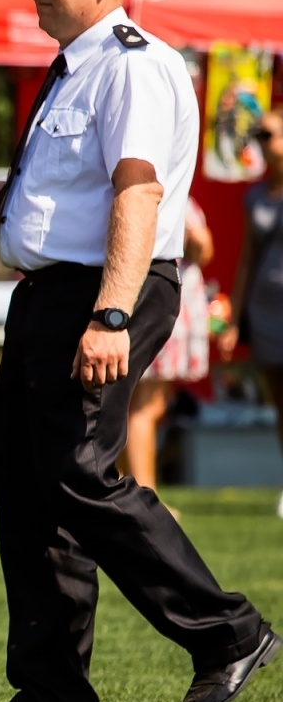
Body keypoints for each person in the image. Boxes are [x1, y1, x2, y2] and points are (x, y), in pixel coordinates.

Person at [0, 0, 275, 702]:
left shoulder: (131, 66)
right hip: (50, 292)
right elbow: (57, 197)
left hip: (106, 288)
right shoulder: (73, 67)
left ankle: (227, 633)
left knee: (79, 475)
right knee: (29, 489)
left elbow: (137, 192)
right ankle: (51, 686)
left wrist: (110, 316)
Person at [120, 198, 213, 506]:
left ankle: (126, 494)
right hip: (158, 308)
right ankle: (145, 500)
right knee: (143, 409)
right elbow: (202, 248)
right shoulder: (165, 194)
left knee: (140, 408)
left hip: (152, 305)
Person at [225, 108, 283, 519]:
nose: (262, 142)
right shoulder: (255, 197)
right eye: (259, 135)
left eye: (269, 134)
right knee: (279, 402)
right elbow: (246, 259)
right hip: (265, 309)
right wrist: (234, 317)